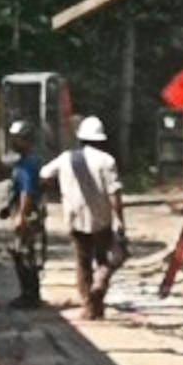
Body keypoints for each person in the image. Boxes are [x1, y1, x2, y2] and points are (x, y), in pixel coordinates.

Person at [40, 115, 125, 320]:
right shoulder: (107, 161)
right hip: (101, 220)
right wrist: (120, 219)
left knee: (83, 262)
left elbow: (44, 174)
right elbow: (114, 193)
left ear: (81, 138)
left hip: (75, 219)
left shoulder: (67, 157)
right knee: (106, 259)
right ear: (101, 139)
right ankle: (101, 282)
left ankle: (89, 307)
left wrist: (60, 188)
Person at [0, 120, 44, 309]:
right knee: (22, 253)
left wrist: (21, 216)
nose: (12, 142)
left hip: (28, 213)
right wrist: (8, 208)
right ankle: (28, 293)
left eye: (16, 138)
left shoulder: (28, 163)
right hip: (23, 210)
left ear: (26, 140)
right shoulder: (23, 161)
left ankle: (30, 296)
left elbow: (26, 191)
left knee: (25, 254)